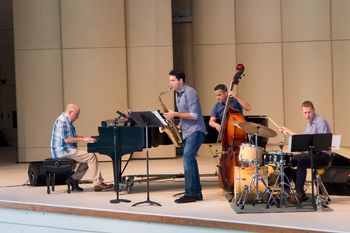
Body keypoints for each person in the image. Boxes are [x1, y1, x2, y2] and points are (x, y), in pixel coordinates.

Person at [164, 69, 207, 203]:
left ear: (181, 81)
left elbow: (194, 115)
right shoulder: (178, 94)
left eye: (173, 80)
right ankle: (197, 193)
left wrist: (175, 115)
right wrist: (180, 125)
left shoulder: (190, 92)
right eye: (170, 80)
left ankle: (190, 194)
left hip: (196, 130)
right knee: (190, 161)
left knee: (187, 160)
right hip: (187, 131)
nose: (170, 83)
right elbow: (185, 112)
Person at [50, 103, 113, 192]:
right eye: (77, 114)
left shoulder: (66, 121)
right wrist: (83, 139)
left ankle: (74, 179)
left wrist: (85, 138)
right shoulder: (63, 121)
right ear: (71, 112)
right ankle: (98, 183)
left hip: (66, 150)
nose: (78, 117)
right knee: (91, 156)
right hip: (62, 151)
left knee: (88, 158)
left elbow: (73, 136)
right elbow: (67, 140)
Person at [279, 101, 331, 202]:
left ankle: (299, 194)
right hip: (312, 153)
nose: (307, 115)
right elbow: (304, 140)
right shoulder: (309, 124)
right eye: (305, 113)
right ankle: (287, 192)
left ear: (314, 110)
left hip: (323, 155)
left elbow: (323, 143)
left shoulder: (320, 121)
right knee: (289, 160)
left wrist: (307, 148)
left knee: (302, 162)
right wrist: (288, 131)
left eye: (309, 112)